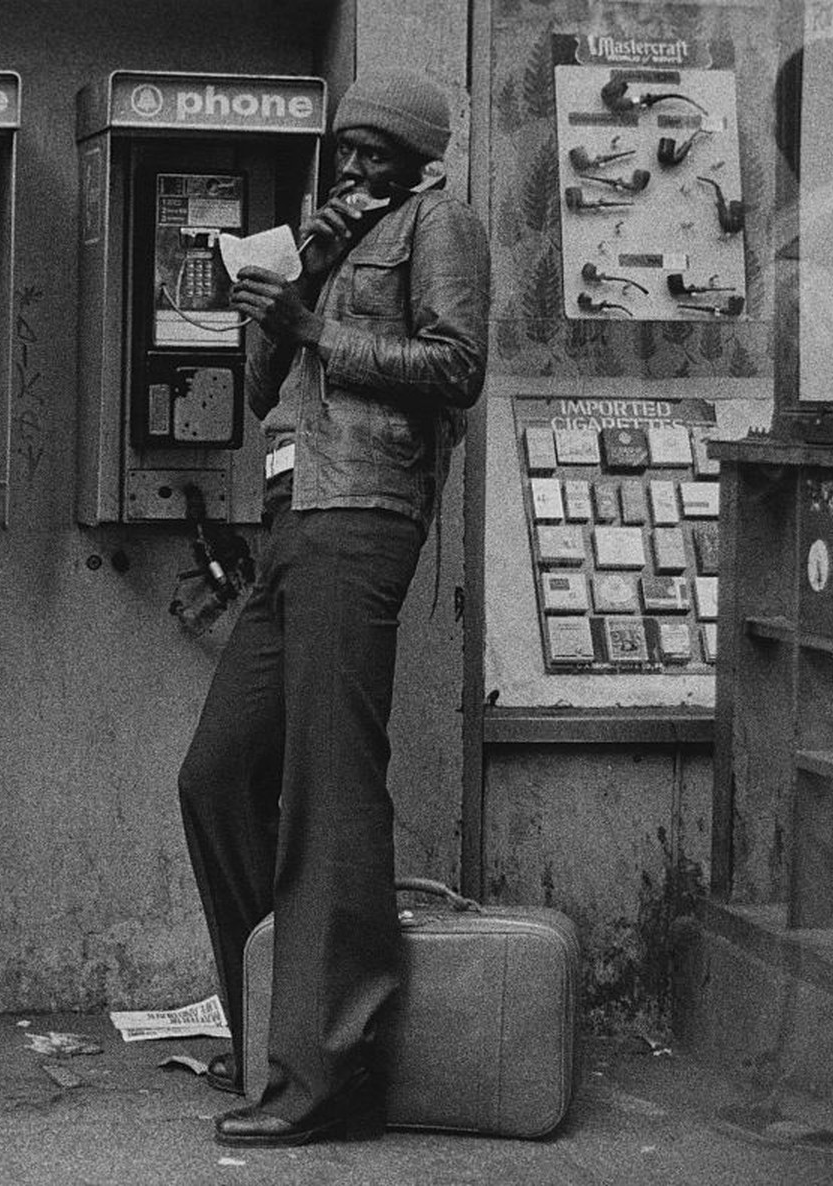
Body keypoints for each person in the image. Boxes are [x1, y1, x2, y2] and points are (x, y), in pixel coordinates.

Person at [177, 69, 491, 1148]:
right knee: (219, 771)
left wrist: (316, 323)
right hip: (292, 520)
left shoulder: (442, 226)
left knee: (330, 789)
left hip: (366, 514)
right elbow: (264, 390)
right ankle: (274, 1022)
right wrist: (295, 285)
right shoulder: (334, 240)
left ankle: (330, 1067)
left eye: (376, 155)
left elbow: (456, 367)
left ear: (416, 159)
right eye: (345, 150)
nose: (355, 168)